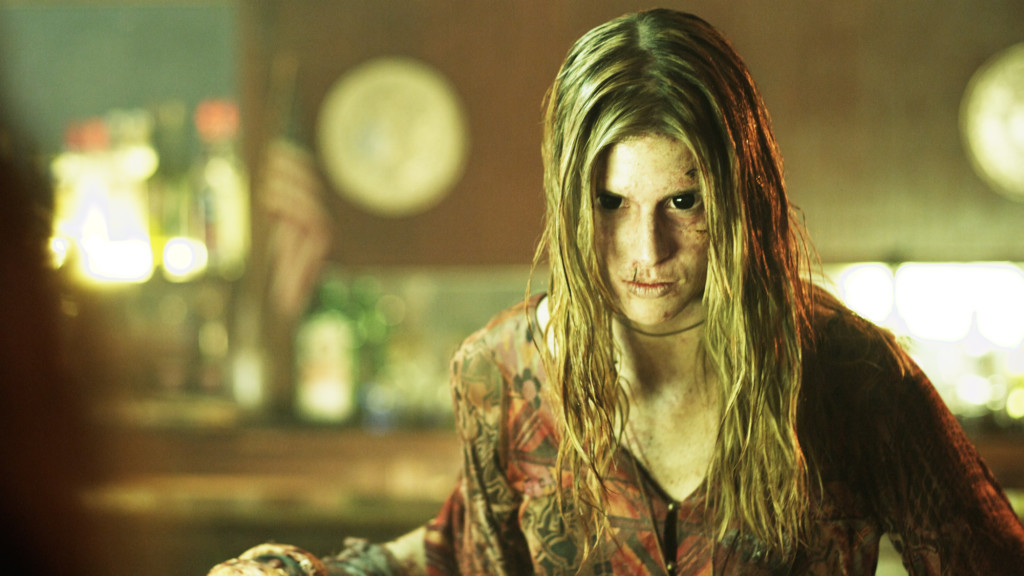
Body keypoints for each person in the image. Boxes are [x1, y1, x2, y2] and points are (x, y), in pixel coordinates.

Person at [210, 8, 1024, 575]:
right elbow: (460, 553)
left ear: (742, 197)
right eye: (611, 203)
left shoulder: (852, 377)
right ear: (570, 201)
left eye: (684, 201)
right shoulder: (502, 375)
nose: (647, 252)